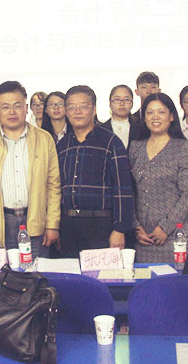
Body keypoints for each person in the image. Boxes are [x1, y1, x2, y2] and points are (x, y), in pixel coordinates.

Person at [0, 81, 61, 256]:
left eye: (17, 106)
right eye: (6, 107)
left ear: (26, 109)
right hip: (0, 223)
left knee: (37, 271)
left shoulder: (45, 139)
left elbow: (53, 185)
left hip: (37, 222)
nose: (12, 112)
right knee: (4, 272)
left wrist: (52, 224)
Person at [56, 85, 133, 256]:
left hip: (101, 225)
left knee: (102, 272)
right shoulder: (62, 145)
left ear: (94, 109)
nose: (77, 111)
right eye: (72, 107)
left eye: (83, 106)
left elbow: (123, 189)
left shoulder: (111, 142)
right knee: (70, 272)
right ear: (66, 112)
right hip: (68, 225)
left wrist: (120, 229)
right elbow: (57, 188)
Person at [129, 93, 188, 262]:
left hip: (178, 236)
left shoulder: (183, 147)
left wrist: (166, 228)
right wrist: (136, 227)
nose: (155, 117)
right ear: (144, 117)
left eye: (161, 112)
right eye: (150, 112)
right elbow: (129, 191)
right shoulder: (135, 147)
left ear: (172, 116)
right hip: (144, 239)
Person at [102, 84, 140, 149]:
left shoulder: (141, 130)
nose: (122, 103)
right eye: (117, 99)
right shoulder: (101, 130)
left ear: (132, 104)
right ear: (110, 104)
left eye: (126, 100)